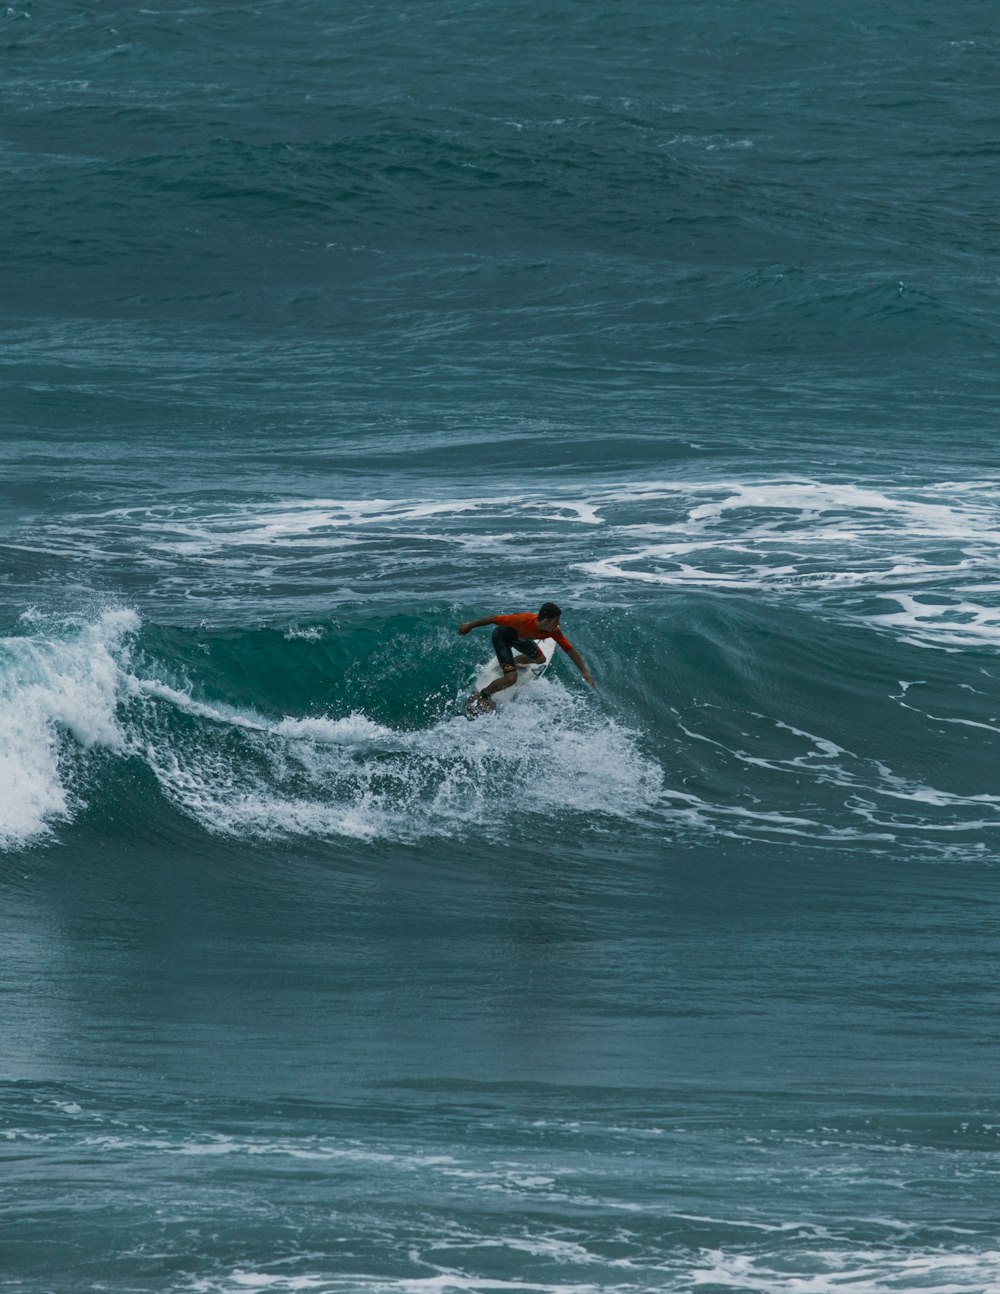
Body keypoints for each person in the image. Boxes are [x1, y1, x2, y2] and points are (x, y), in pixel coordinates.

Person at [457, 601, 595, 712]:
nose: (558, 625)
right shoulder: (522, 619)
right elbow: (492, 619)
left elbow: (570, 650)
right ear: (546, 621)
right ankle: (483, 695)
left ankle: (514, 662)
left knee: (541, 660)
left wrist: (584, 672)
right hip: (502, 638)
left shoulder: (554, 631)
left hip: (520, 639)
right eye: (556, 622)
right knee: (511, 679)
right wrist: (469, 626)